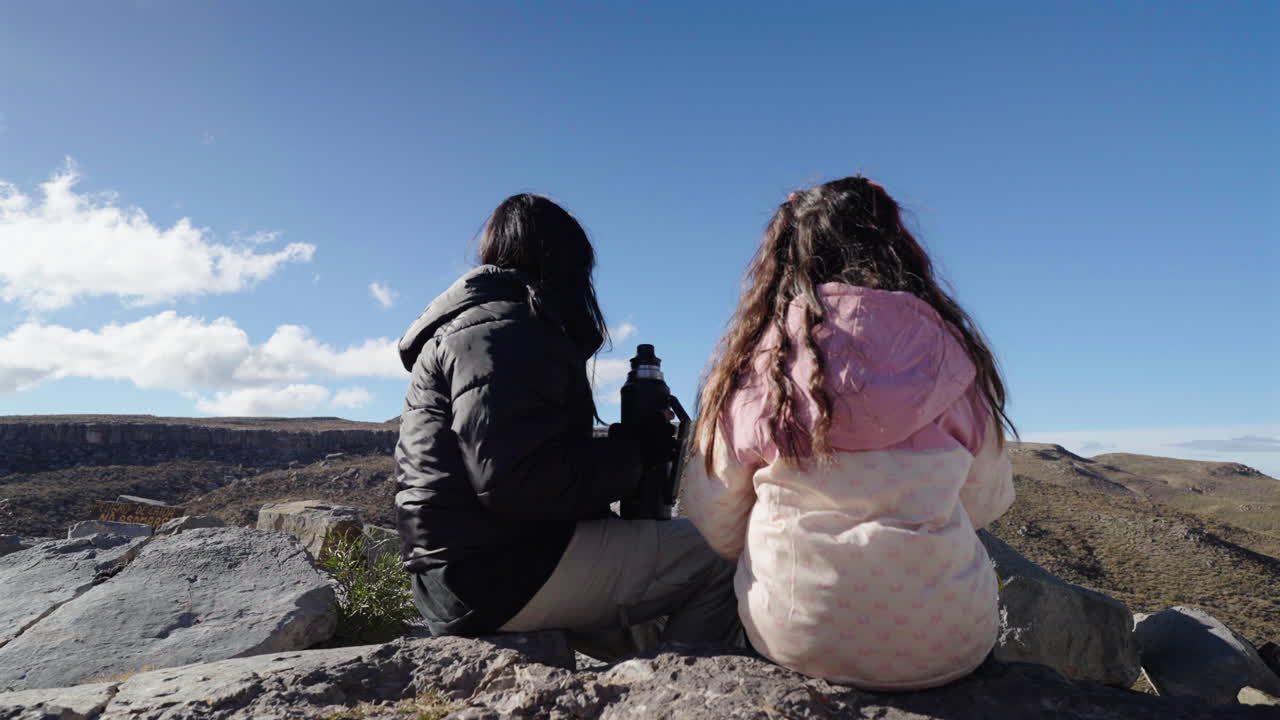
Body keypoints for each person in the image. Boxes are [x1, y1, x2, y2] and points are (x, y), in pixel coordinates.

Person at [681, 176, 1016, 690]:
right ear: (894, 244)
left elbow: (718, 519)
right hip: (949, 640)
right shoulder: (951, 354)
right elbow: (988, 499)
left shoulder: (760, 363)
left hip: (797, 635)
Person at [394, 193, 741, 660]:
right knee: (718, 553)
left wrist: (622, 449)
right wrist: (636, 453)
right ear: (565, 261)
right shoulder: (504, 330)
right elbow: (517, 481)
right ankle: (697, 699)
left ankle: (651, 686)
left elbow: (517, 456)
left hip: (468, 569)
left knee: (652, 612)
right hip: (494, 572)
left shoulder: (475, 326)